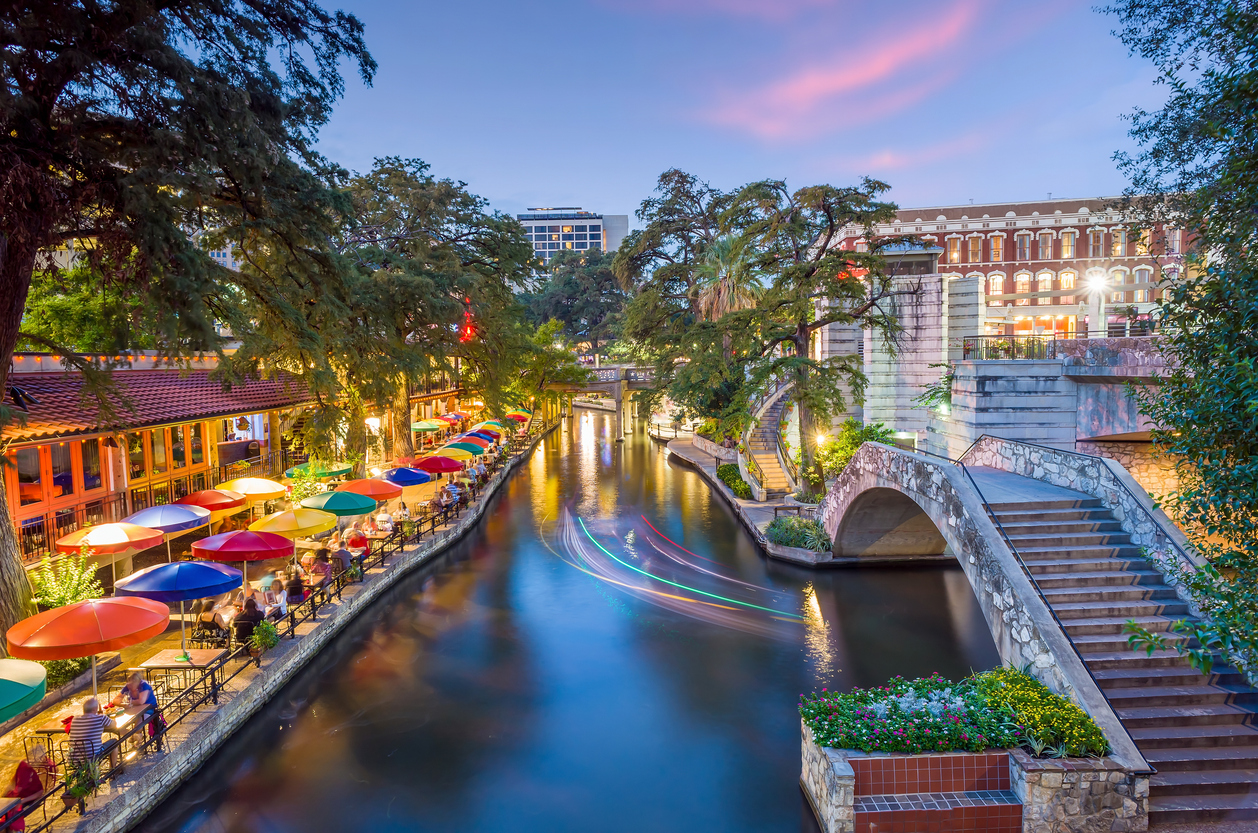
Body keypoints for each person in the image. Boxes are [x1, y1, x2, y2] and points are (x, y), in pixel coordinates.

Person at [5, 743, 54, 820]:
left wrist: (21, 801)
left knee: (10, 817)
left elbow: (40, 792)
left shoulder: (31, 769)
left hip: (27, 800)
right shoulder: (24, 766)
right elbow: (14, 783)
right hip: (18, 798)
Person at [68, 698, 119, 769]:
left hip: (74, 758)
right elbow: (114, 724)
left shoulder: (75, 719)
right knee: (114, 742)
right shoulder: (101, 718)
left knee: (88, 746)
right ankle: (112, 770)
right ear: (95, 709)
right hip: (92, 757)